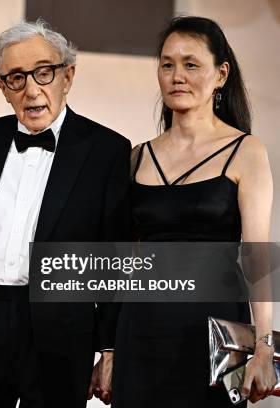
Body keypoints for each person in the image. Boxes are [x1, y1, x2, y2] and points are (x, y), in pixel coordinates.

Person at [0, 19, 131, 408]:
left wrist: (108, 347)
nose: (31, 89)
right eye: (16, 78)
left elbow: (115, 256)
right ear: (2, 88)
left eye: (44, 73)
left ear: (68, 76)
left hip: (59, 328)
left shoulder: (107, 149)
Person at [113, 16, 276, 407]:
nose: (176, 76)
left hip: (215, 334)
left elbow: (257, 254)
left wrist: (265, 345)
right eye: (167, 64)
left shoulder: (247, 151)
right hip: (140, 330)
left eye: (191, 64)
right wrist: (108, 350)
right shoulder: (137, 157)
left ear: (221, 74)